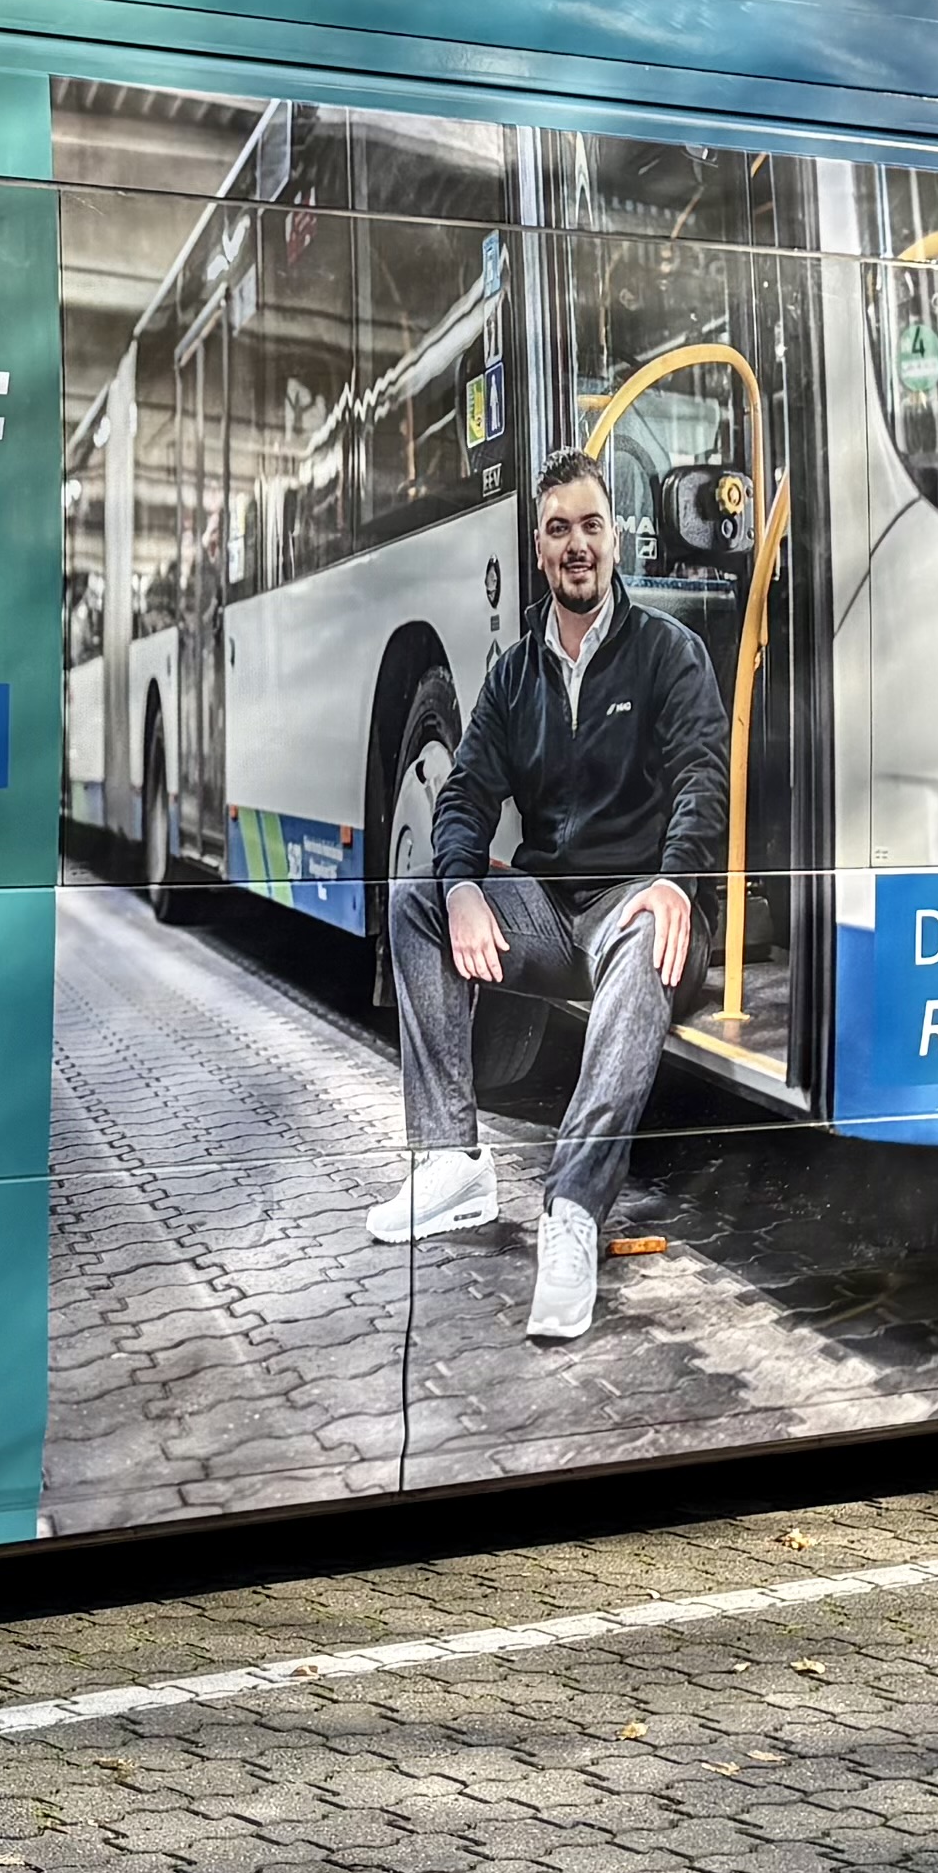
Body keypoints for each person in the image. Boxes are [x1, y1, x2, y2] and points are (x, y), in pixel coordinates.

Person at [362, 448, 733, 1346]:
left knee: (645, 944)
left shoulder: (668, 653)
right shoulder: (514, 675)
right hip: (550, 912)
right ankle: (453, 1164)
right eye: (559, 529)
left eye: (592, 526)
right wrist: (460, 888)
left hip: (638, 904)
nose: (578, 546)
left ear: (617, 540)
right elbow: (463, 796)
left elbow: (703, 778)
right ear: (538, 548)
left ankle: (573, 1210)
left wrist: (678, 882)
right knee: (415, 901)